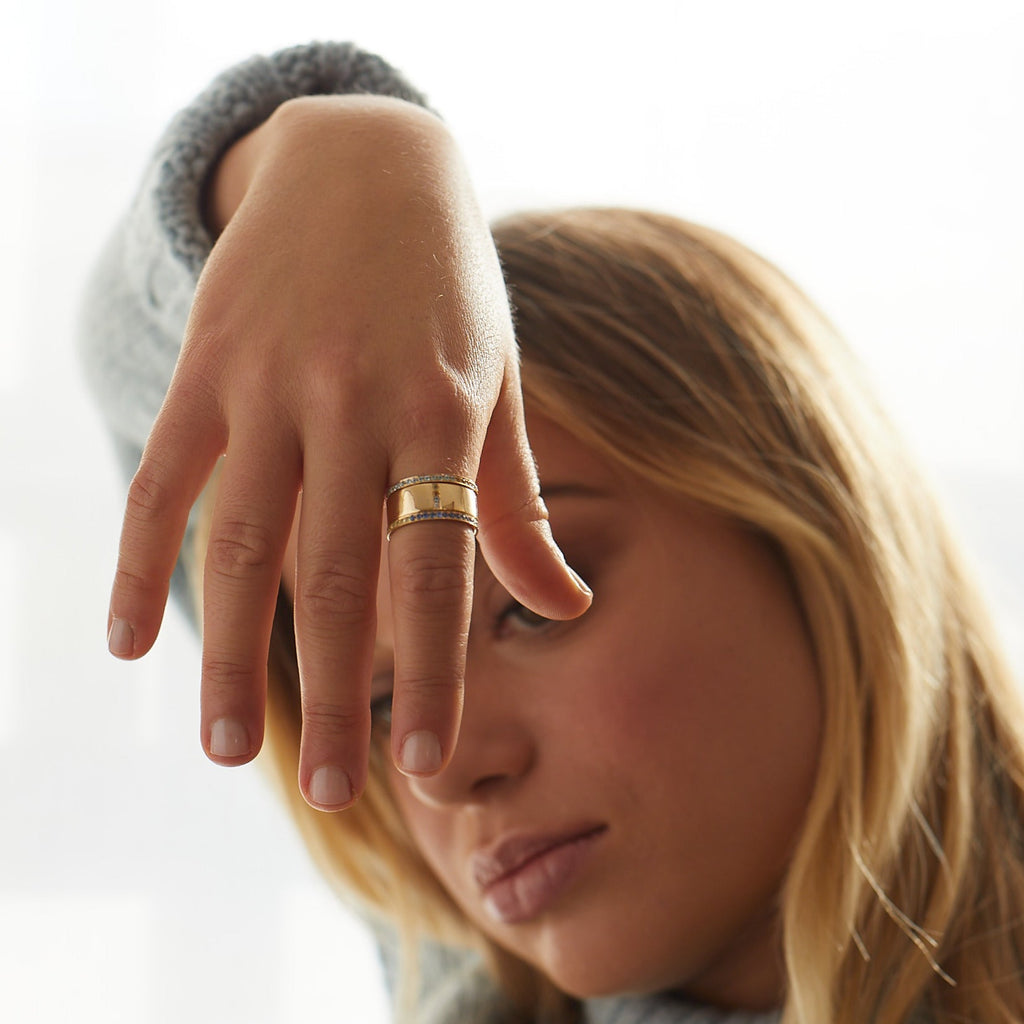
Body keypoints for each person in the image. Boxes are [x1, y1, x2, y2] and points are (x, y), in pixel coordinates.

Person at [80, 41, 1024, 1024]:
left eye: (528, 611)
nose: (441, 767)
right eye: (378, 698)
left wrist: (353, 147)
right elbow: (152, 375)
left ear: (812, 530)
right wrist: (334, 141)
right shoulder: (467, 982)